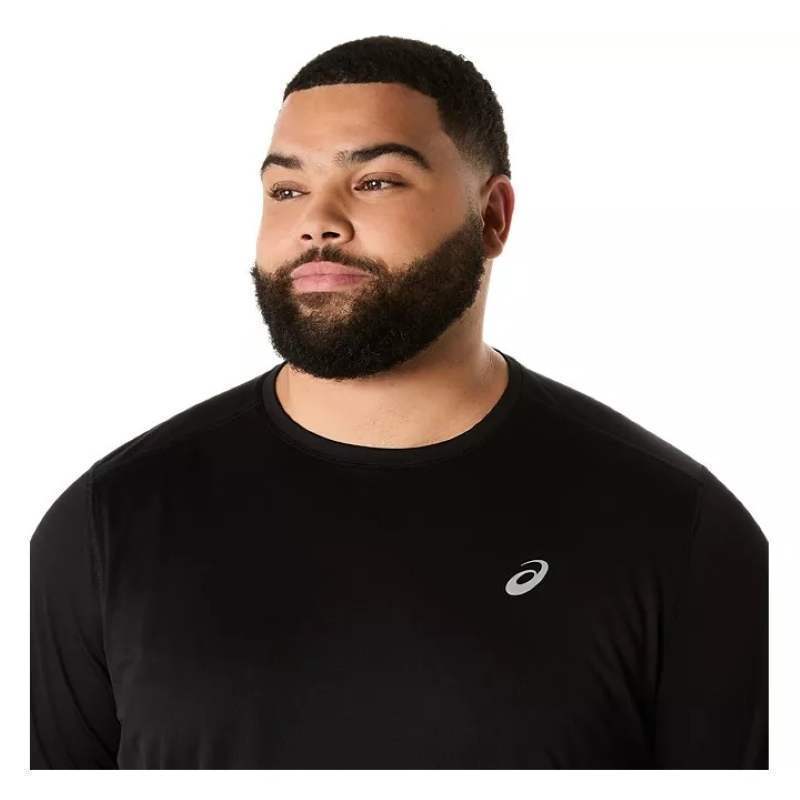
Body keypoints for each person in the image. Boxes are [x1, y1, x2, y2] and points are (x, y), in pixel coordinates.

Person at [30, 35, 767, 770]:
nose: (317, 221)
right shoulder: (107, 527)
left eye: (376, 181)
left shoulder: (675, 530)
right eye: (286, 190)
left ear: (493, 217)